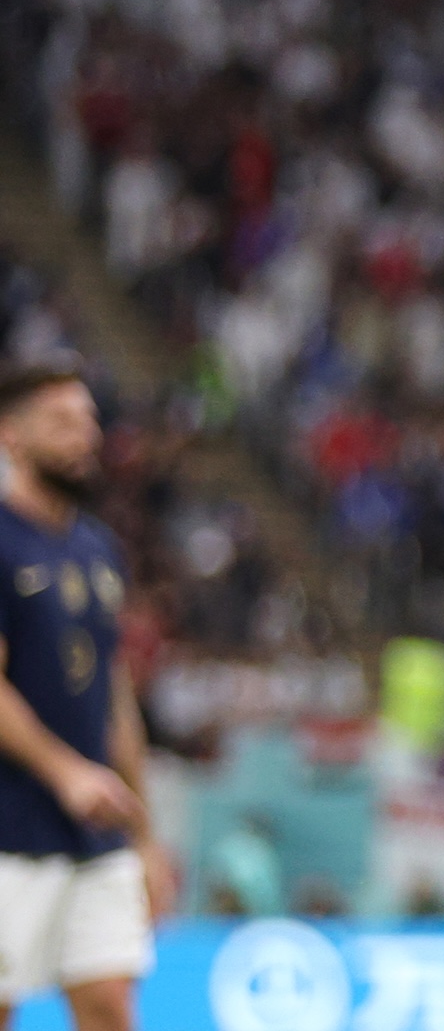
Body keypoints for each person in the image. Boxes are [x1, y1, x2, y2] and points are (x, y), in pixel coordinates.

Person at [0, 363, 171, 1031]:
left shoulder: (98, 549)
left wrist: (146, 836)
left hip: (95, 835)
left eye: (89, 421)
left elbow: (113, 693)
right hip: (11, 827)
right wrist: (65, 771)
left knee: (108, 1007)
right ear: (11, 437)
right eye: (63, 423)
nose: (85, 437)